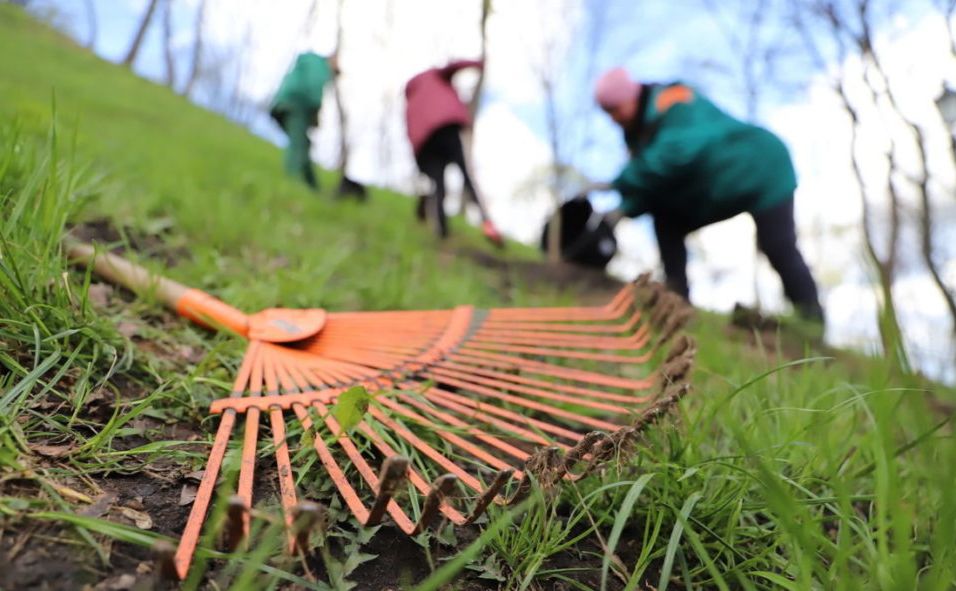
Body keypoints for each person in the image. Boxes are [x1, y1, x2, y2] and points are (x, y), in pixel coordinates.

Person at [590, 67, 824, 321]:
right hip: (717, 185)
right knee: (666, 219)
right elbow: (655, 186)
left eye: (615, 109)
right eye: (608, 113)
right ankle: (677, 303)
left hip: (762, 168)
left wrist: (619, 182)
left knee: (778, 245)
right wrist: (623, 210)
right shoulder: (639, 134)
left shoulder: (674, 100)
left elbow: (678, 153)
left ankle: (812, 321)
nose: (614, 118)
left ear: (632, 96)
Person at [404, 59, 503, 245]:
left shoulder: (411, 98)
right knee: (466, 175)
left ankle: (441, 231)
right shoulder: (434, 75)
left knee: (438, 184)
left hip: (425, 144)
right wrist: (477, 63)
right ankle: (487, 224)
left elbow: (409, 130)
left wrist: (419, 158)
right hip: (446, 127)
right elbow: (454, 66)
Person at [269, 52, 338, 190]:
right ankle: (291, 180)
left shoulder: (311, 61)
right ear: (332, 60)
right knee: (298, 145)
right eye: (335, 71)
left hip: (285, 102)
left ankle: (313, 186)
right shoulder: (320, 66)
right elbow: (314, 86)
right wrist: (315, 111)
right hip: (297, 104)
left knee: (303, 143)